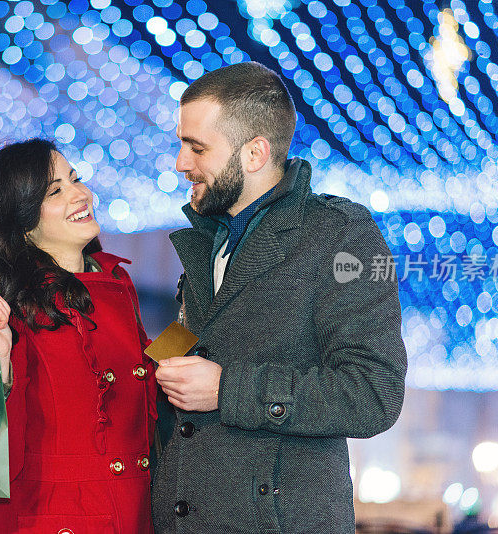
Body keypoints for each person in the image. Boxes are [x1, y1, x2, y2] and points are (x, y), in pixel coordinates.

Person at [152, 62, 407, 533]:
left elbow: (375, 394)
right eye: (180, 144)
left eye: (197, 147)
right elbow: (191, 345)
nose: (180, 163)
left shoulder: (342, 233)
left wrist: (229, 390)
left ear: (255, 153)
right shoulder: (208, 241)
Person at [0, 139, 157, 533]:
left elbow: (149, 373)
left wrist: (202, 320)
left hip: (135, 512)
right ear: (22, 223)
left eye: (76, 179)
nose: (81, 194)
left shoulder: (116, 282)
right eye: (56, 190)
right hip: (53, 516)